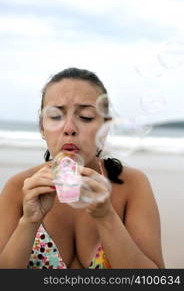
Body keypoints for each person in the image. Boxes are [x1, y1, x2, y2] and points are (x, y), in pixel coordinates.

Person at [0, 67, 165, 269]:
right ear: (42, 127)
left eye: (86, 117)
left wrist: (106, 216)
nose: (69, 128)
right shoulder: (19, 188)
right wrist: (29, 222)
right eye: (56, 116)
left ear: (105, 128)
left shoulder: (133, 185)